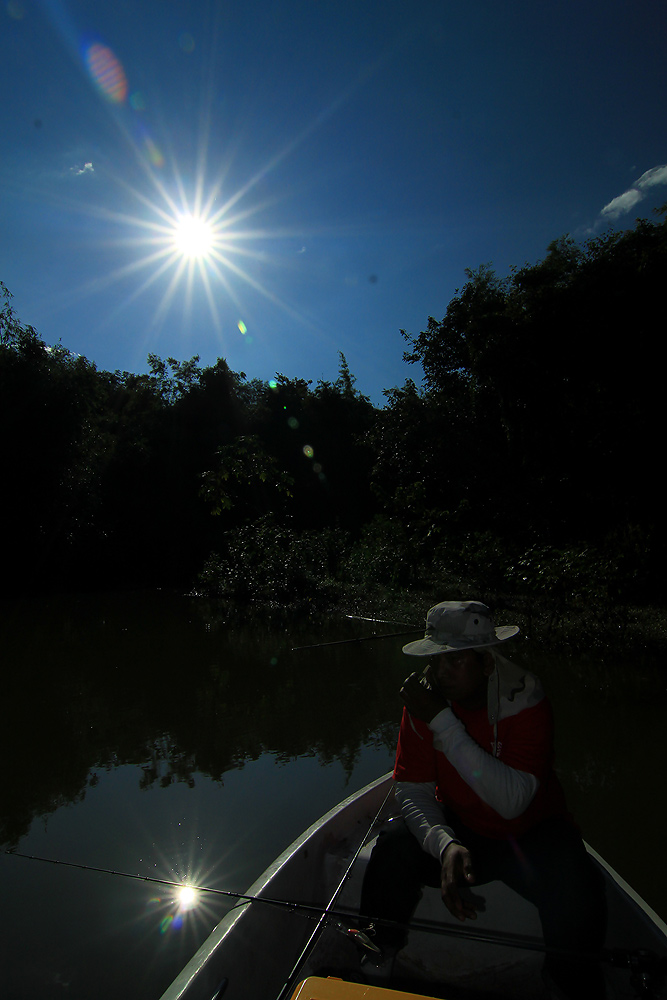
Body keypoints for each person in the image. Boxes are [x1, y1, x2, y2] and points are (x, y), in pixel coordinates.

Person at [360, 600, 607, 999]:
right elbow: (413, 789)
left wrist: (442, 720)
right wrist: (445, 844)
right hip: (462, 826)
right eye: (438, 660)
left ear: (487, 663)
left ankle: (565, 981)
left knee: (580, 885)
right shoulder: (425, 701)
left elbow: (512, 803)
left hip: (529, 834)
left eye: (456, 661)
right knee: (391, 849)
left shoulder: (525, 700)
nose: (442, 673)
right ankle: (377, 955)